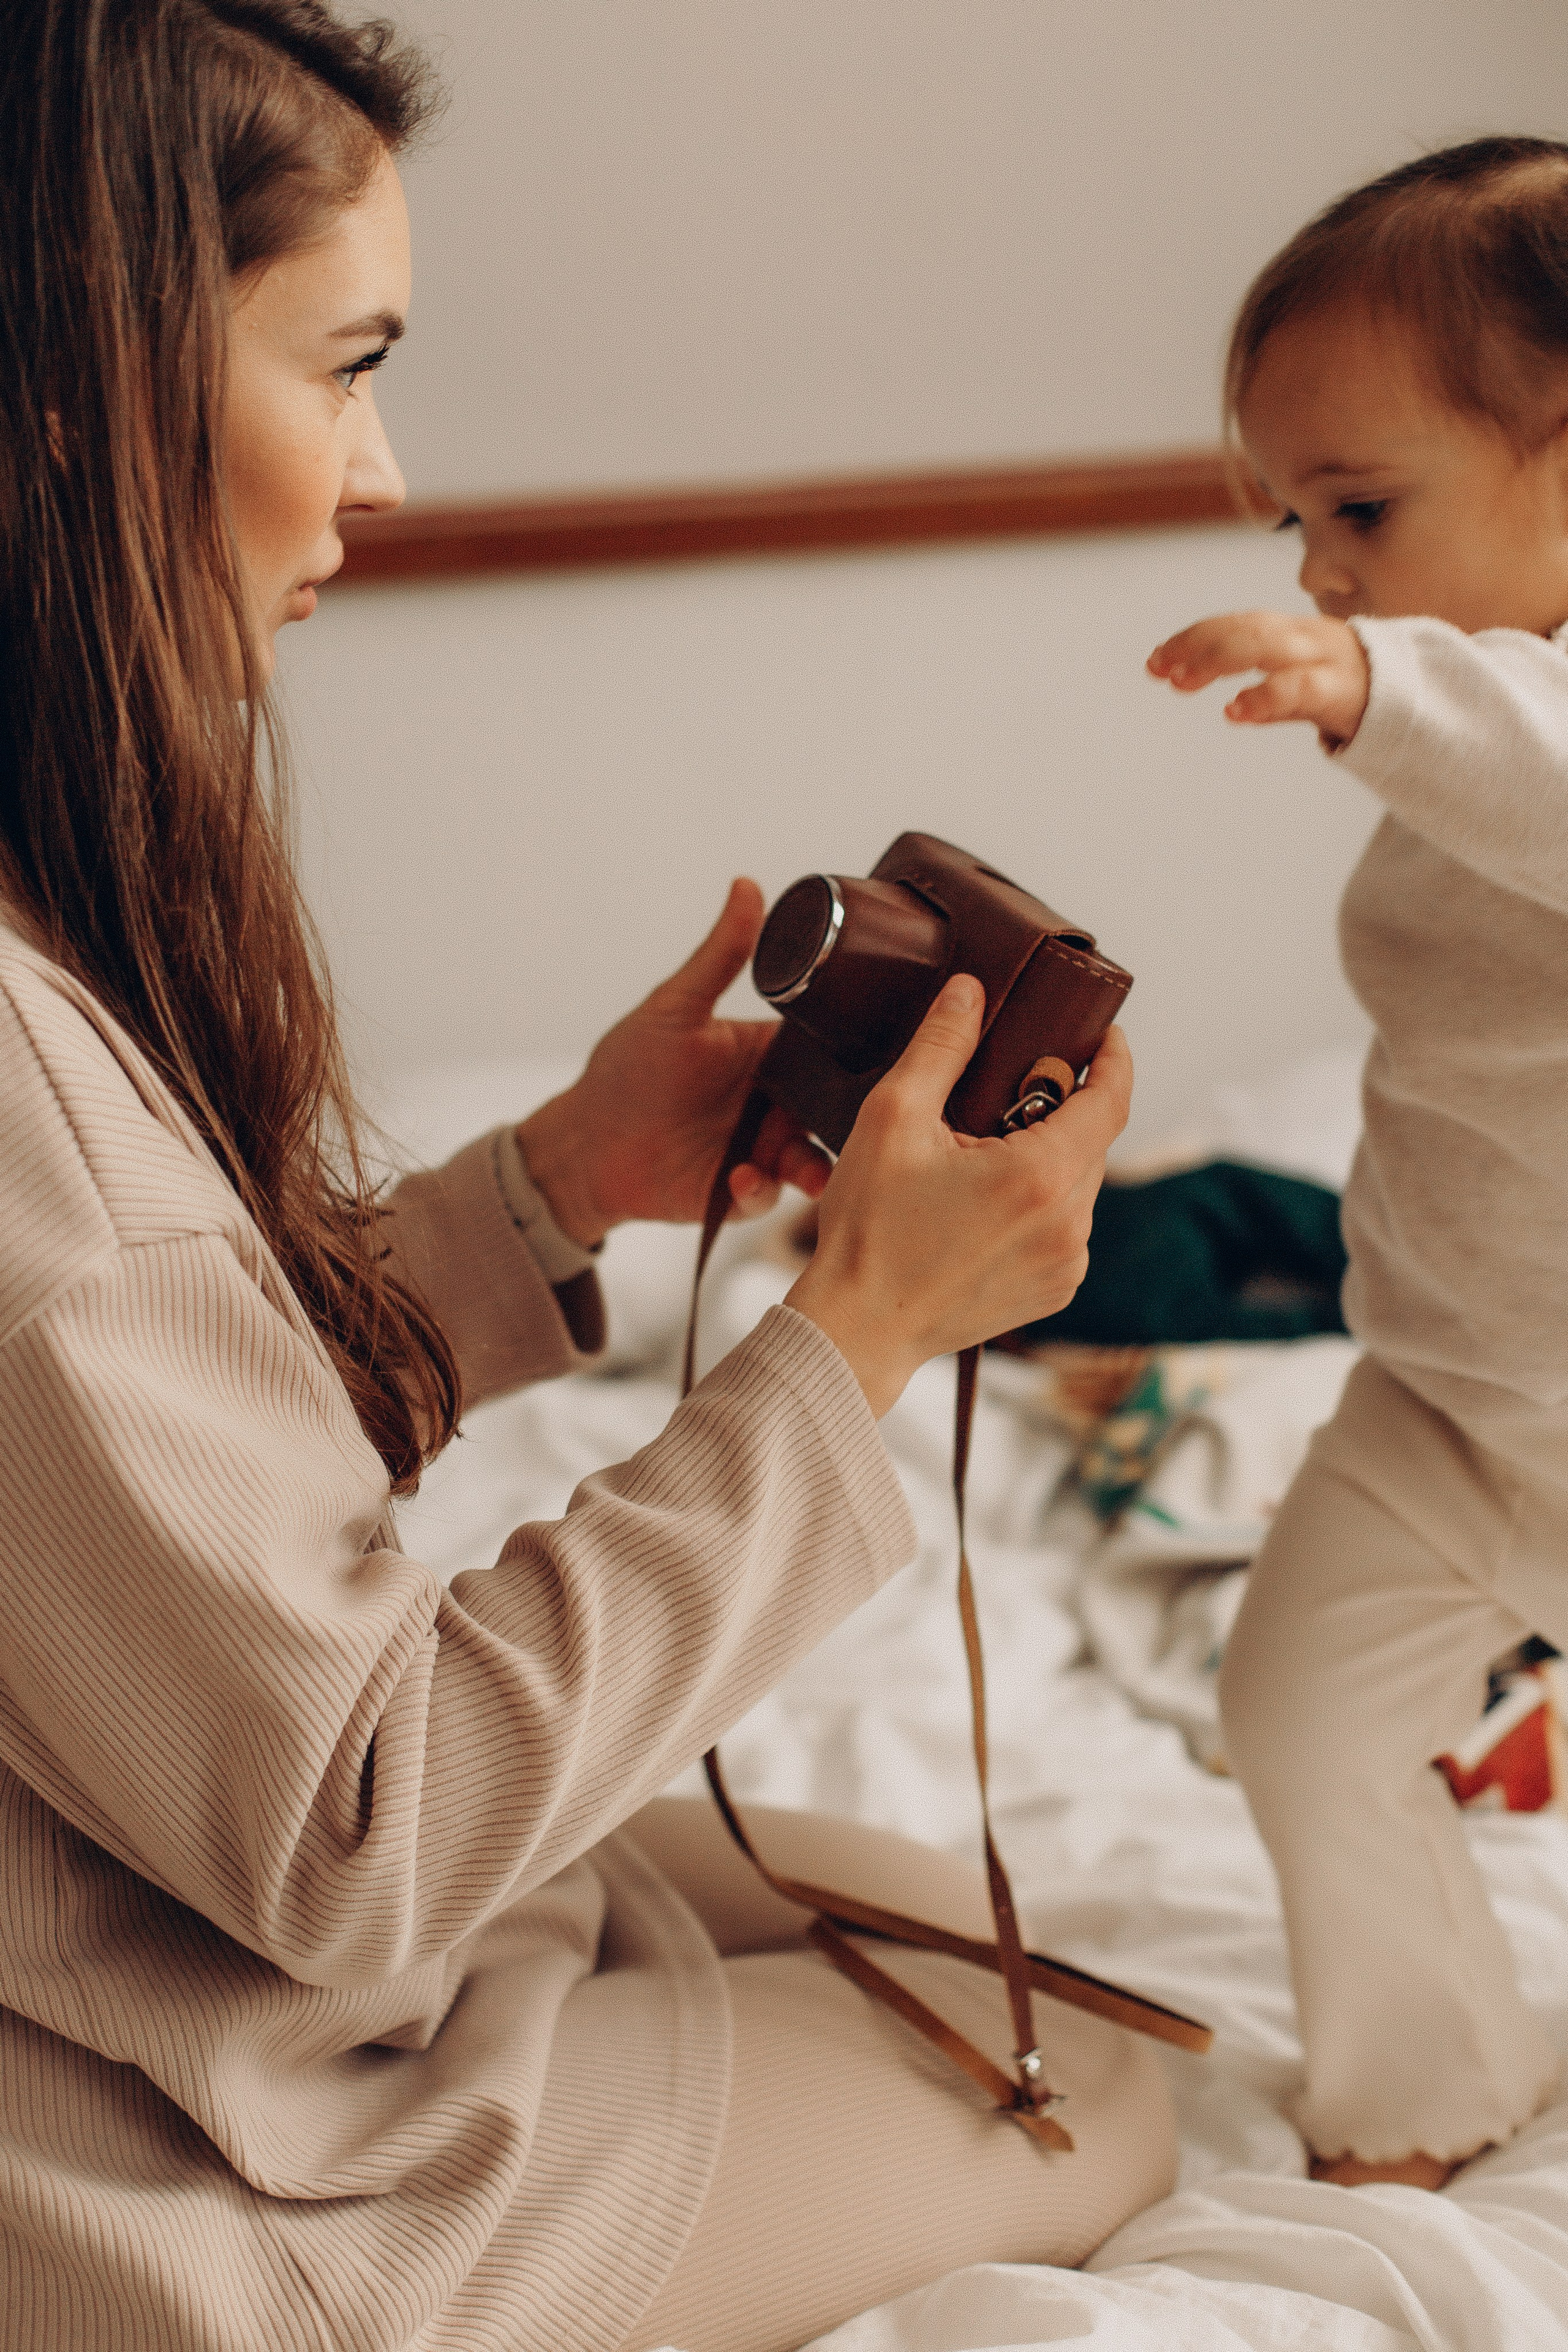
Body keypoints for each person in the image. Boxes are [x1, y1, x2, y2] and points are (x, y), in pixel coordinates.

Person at [0, 7, 1175, 2348]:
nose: (389, 471)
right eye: (346, 367)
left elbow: (121, 1500)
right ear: (79, 382)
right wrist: (857, 1337)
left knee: (905, 1906)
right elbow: (367, 1835)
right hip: (175, 2179)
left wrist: (552, 1190)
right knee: (1104, 2059)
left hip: (160, 1946)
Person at [1148, 135, 1568, 2191]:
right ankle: (1428, 2082)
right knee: (1299, 1708)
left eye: (1364, 510)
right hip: (1453, 1399)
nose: (1320, 570)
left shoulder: (1485, 724)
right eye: (1294, 524)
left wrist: (1387, 678)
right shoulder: (1463, 744)